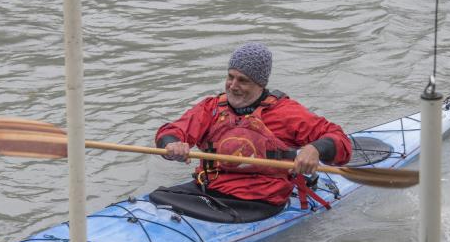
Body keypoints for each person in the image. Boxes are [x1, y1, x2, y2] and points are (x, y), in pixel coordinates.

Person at [150, 42, 352, 223]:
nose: (233, 85)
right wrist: (172, 144)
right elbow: (172, 131)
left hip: (258, 202)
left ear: (260, 84)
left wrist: (315, 149)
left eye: (243, 80)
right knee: (157, 196)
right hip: (208, 190)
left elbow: (340, 141)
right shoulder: (211, 108)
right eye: (230, 77)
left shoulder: (286, 112)